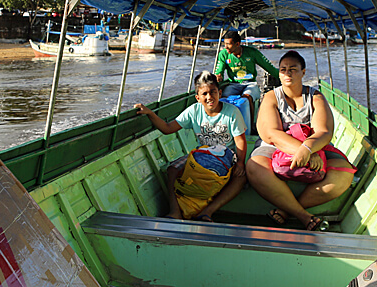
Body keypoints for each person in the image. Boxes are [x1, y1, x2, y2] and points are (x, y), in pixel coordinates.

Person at [247, 50, 356, 230]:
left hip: (314, 144)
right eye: (283, 70)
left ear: (303, 72)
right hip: (276, 146)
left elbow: (324, 131)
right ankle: (303, 215)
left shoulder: (315, 97)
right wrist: (304, 151)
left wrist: (308, 149)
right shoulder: (271, 97)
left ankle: (286, 210)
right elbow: (271, 134)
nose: (287, 73)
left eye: (293, 69)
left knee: (345, 174)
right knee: (254, 167)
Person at [135, 71, 247, 222]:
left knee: (241, 178)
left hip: (228, 158)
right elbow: (168, 128)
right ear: (198, 97)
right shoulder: (194, 111)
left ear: (219, 93)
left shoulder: (232, 112)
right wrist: (150, 113)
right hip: (202, 157)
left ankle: (208, 211)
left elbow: (240, 141)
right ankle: (175, 211)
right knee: (172, 169)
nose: (209, 97)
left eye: (213, 92)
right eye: (205, 94)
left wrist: (240, 163)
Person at [213, 30, 280, 130]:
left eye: (228, 44)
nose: (225, 47)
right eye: (224, 44)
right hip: (233, 84)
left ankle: (251, 126)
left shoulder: (252, 52)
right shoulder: (223, 54)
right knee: (224, 98)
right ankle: (224, 127)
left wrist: (283, 77)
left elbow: (268, 67)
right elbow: (219, 70)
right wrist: (218, 76)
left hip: (250, 84)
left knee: (247, 98)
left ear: (237, 44)